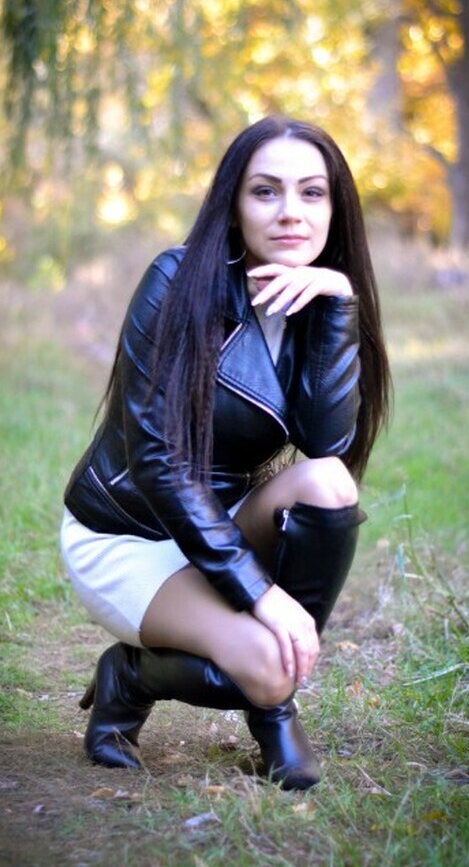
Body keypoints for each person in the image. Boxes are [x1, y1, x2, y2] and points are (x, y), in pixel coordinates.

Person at [61, 115, 391, 791]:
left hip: (221, 519)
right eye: (265, 192)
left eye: (312, 193)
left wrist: (338, 306)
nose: (291, 212)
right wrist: (262, 596)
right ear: (233, 205)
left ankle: (267, 690)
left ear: (336, 207)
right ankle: (133, 676)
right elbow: (158, 463)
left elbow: (327, 446)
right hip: (129, 533)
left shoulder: (316, 301)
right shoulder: (177, 281)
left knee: (329, 483)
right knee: (266, 664)